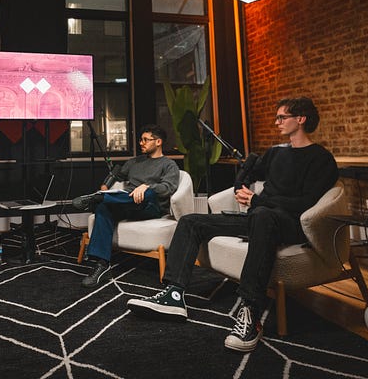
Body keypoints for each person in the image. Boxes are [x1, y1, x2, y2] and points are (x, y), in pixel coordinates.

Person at [127, 97, 339, 353]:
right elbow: (249, 174)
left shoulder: (321, 159)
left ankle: (250, 311)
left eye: (282, 117)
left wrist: (258, 200)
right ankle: (173, 294)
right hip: (257, 219)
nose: (276, 122)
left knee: (262, 215)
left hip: (289, 224)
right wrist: (242, 184)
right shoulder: (276, 153)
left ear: (301, 119)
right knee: (191, 221)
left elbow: (306, 203)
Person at [74, 124, 180, 288]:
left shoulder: (169, 165)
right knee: (104, 208)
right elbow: (116, 174)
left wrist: (147, 187)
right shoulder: (134, 162)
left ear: (158, 142)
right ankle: (102, 265)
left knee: (147, 193)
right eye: (141, 139)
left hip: (149, 206)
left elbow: (168, 188)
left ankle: (98, 199)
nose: (141, 143)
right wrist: (105, 186)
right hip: (127, 203)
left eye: (145, 140)